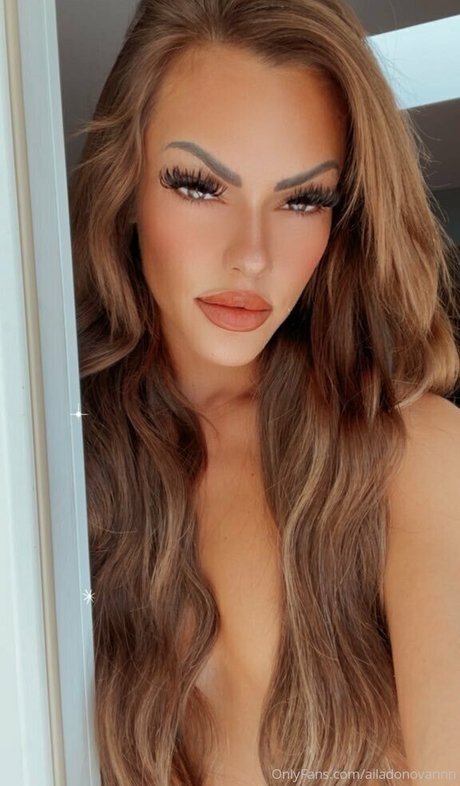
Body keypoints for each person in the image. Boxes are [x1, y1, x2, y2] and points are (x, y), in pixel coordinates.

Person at [68, 1, 460, 785]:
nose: (251, 256)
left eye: (302, 199)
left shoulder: (410, 457)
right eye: (199, 186)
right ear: (126, 183)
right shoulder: (48, 469)